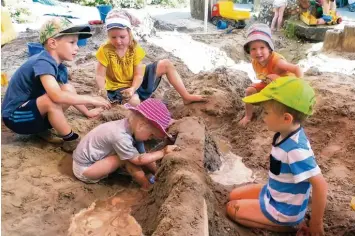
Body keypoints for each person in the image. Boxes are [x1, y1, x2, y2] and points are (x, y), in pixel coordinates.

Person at [227, 77, 328, 235]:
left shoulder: (296, 150)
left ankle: (287, 226)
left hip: (284, 209)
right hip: (275, 191)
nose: (263, 116)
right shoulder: (286, 133)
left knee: (232, 208)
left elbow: (320, 184)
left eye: (266, 112)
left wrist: (316, 224)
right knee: (233, 195)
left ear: (286, 118)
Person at [1, 17, 111, 151]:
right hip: (15, 118)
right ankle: (71, 140)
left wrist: (87, 112)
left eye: (77, 43)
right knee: (51, 100)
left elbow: (67, 93)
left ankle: (40, 129)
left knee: (68, 88)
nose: (77, 48)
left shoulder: (59, 66)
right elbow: (56, 96)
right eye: (72, 42)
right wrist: (91, 99)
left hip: (32, 111)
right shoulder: (43, 62)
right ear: (52, 43)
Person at [95, 9, 207, 106]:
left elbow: (138, 74)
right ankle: (139, 102)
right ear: (108, 36)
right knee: (134, 101)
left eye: (122, 37)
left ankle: (186, 96)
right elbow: (100, 75)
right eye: (113, 37)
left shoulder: (134, 48)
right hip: (119, 88)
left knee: (166, 64)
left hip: (136, 82)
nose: (118, 41)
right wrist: (102, 90)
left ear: (130, 34)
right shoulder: (105, 50)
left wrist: (133, 88)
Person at [72, 98, 178, 189]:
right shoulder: (120, 136)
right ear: (141, 125)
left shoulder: (130, 127)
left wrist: (157, 172)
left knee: (131, 154)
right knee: (127, 160)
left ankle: (153, 175)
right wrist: (163, 152)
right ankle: (146, 185)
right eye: (151, 135)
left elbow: (143, 154)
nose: (149, 139)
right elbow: (139, 160)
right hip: (84, 170)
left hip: (92, 160)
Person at [239, 24, 303, 126]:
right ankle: (248, 116)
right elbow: (265, 77)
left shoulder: (277, 61)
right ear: (249, 51)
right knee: (249, 91)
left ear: (269, 48)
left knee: (273, 79)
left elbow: (296, 68)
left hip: (287, 87)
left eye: (262, 47)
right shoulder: (255, 62)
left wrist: (301, 87)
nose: (258, 52)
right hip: (270, 84)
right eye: (253, 49)